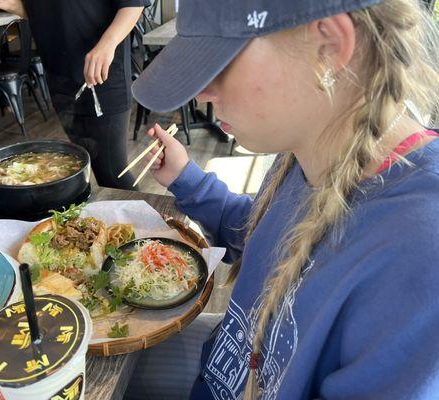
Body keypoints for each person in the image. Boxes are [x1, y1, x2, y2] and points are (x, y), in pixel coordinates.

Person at [125, 0, 439, 398]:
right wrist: (189, 181)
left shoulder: (422, 250)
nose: (202, 92)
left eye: (222, 59)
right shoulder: (307, 149)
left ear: (328, 47)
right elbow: (268, 240)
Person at [0, 0, 148, 189]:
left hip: (102, 78)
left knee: (113, 174)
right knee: (80, 167)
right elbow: (42, 12)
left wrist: (107, 44)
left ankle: (145, 216)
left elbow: (134, 4)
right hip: (60, 78)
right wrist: (11, 5)